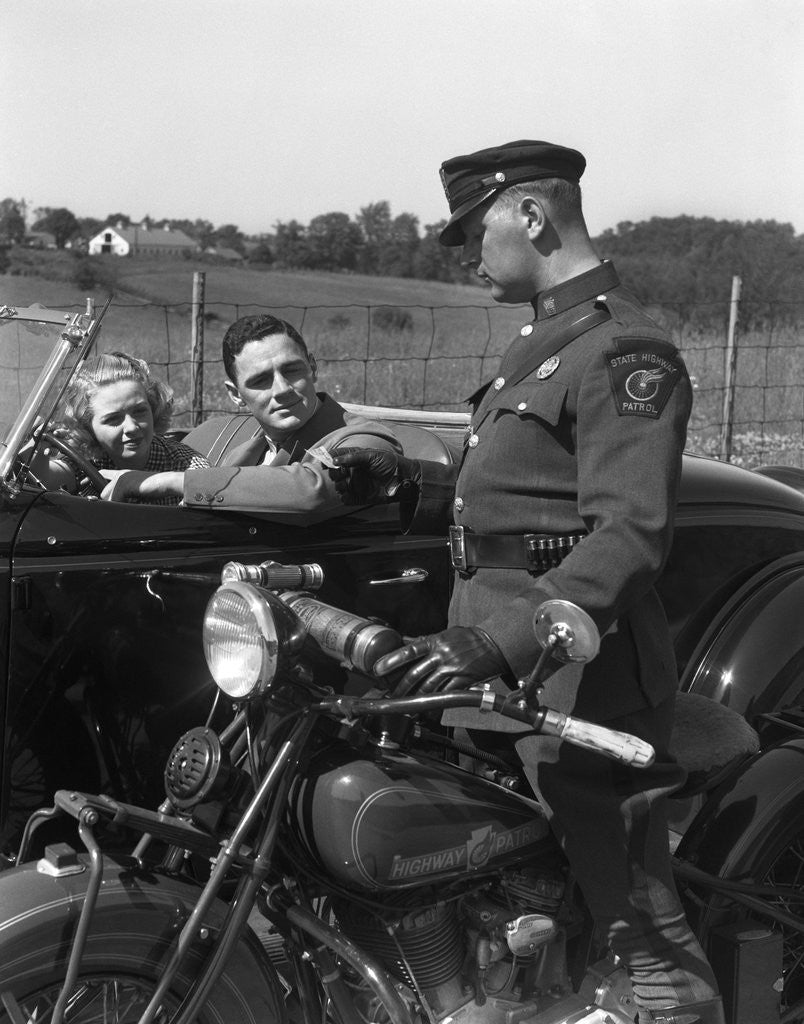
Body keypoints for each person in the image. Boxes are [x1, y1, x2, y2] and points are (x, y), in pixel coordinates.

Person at [333, 141, 724, 1024]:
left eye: (474, 229)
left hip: (579, 684)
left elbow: (629, 538)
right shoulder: (546, 339)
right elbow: (518, 496)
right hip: (494, 677)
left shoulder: (625, 348)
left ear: (532, 215)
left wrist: (497, 642)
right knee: (498, 892)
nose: (470, 252)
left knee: (641, 931)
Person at [101, 314, 400, 521]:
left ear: (313, 368)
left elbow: (311, 491)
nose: (282, 390)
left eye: (292, 370)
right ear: (235, 394)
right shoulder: (243, 451)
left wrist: (165, 482)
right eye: (261, 381)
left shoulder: (363, 440)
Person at [57, 351, 209, 505]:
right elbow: (48, 477)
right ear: (87, 427)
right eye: (113, 419)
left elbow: (217, 488)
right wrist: (36, 453)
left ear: (154, 407)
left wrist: (165, 482)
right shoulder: (83, 462)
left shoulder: (185, 464)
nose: (131, 427)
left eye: (139, 411)